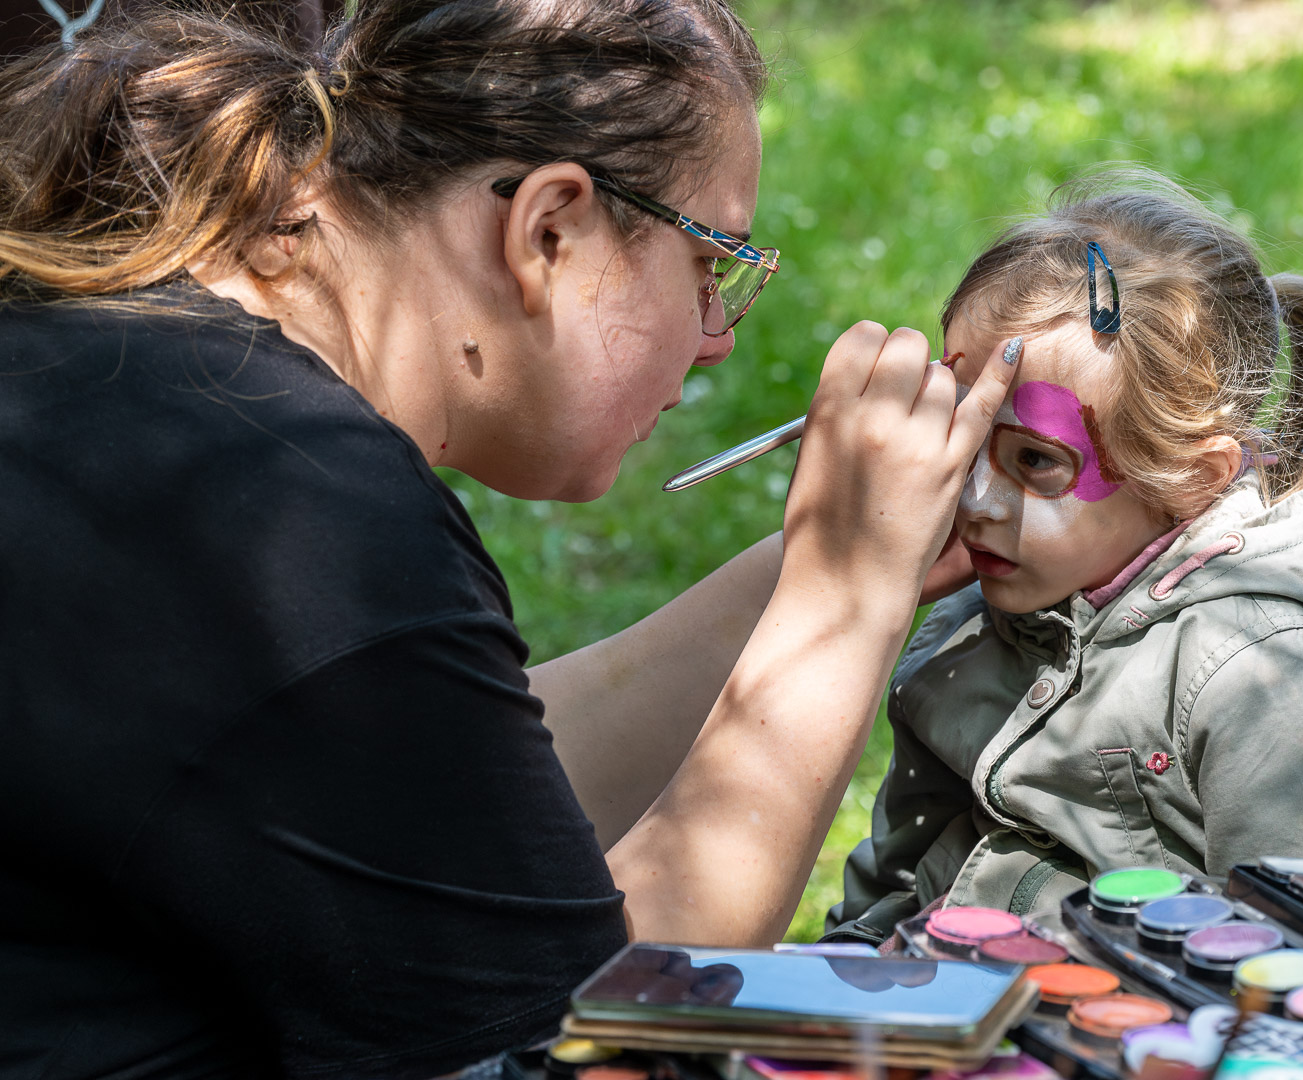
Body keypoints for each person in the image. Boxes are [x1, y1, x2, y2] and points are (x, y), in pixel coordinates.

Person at [0, 1, 1020, 1076]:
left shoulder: (146, 371)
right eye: (710, 265)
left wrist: (816, 563)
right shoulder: (309, 524)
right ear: (549, 229)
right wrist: (843, 603)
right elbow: (593, 1044)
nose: (717, 338)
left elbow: (454, 799)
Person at [828, 171, 1303, 944]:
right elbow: (895, 882)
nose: (975, 499)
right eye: (965, 436)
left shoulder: (1259, 680)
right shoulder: (975, 614)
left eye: (1034, 461)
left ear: (1190, 479)